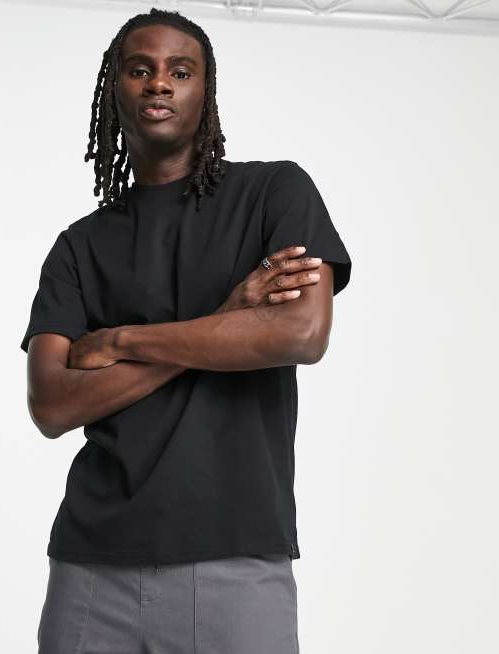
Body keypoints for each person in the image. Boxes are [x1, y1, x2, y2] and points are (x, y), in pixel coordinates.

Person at [21, 7, 352, 654]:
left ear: (206, 88)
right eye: (139, 69)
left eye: (180, 71)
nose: (158, 84)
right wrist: (228, 320)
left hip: (235, 559)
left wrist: (120, 341)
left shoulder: (274, 193)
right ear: (114, 89)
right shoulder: (78, 247)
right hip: (90, 567)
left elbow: (301, 332)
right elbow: (51, 404)